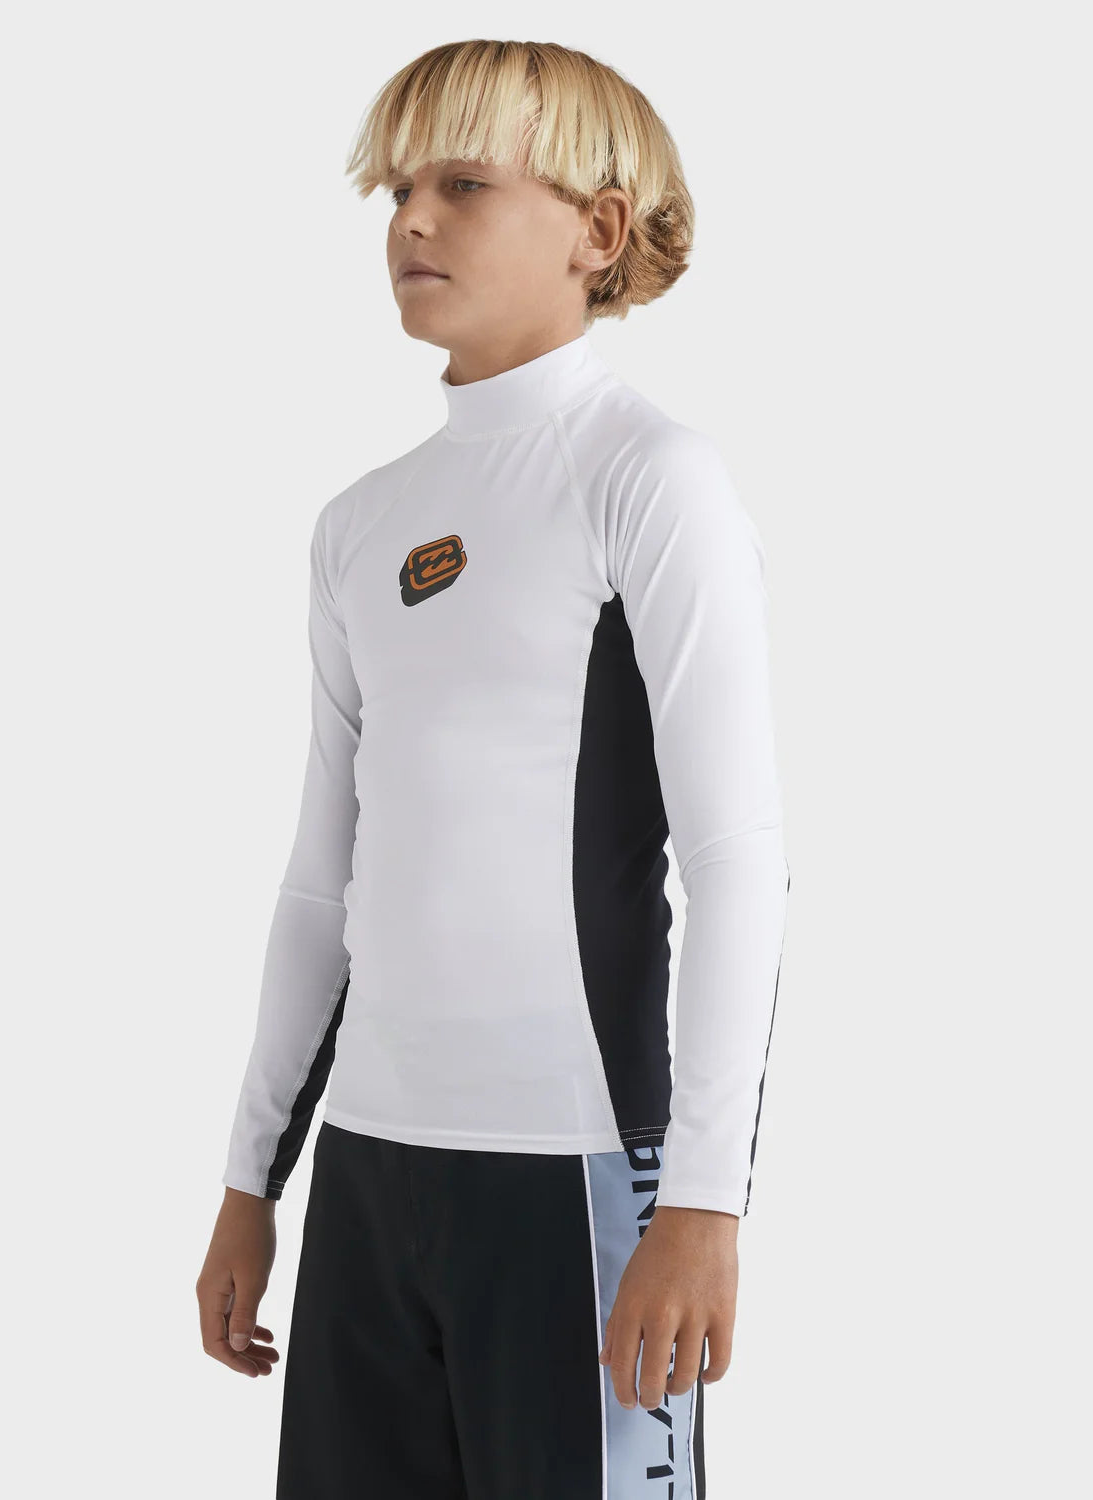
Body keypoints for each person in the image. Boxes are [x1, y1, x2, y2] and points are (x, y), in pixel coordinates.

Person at [196, 38, 790, 1500]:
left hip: (575, 1172)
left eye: (462, 184)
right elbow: (319, 884)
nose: (410, 218)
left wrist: (702, 1200)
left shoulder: (648, 479)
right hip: (371, 1169)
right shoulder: (358, 525)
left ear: (598, 228)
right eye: (397, 189)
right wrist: (251, 1180)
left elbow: (734, 860)